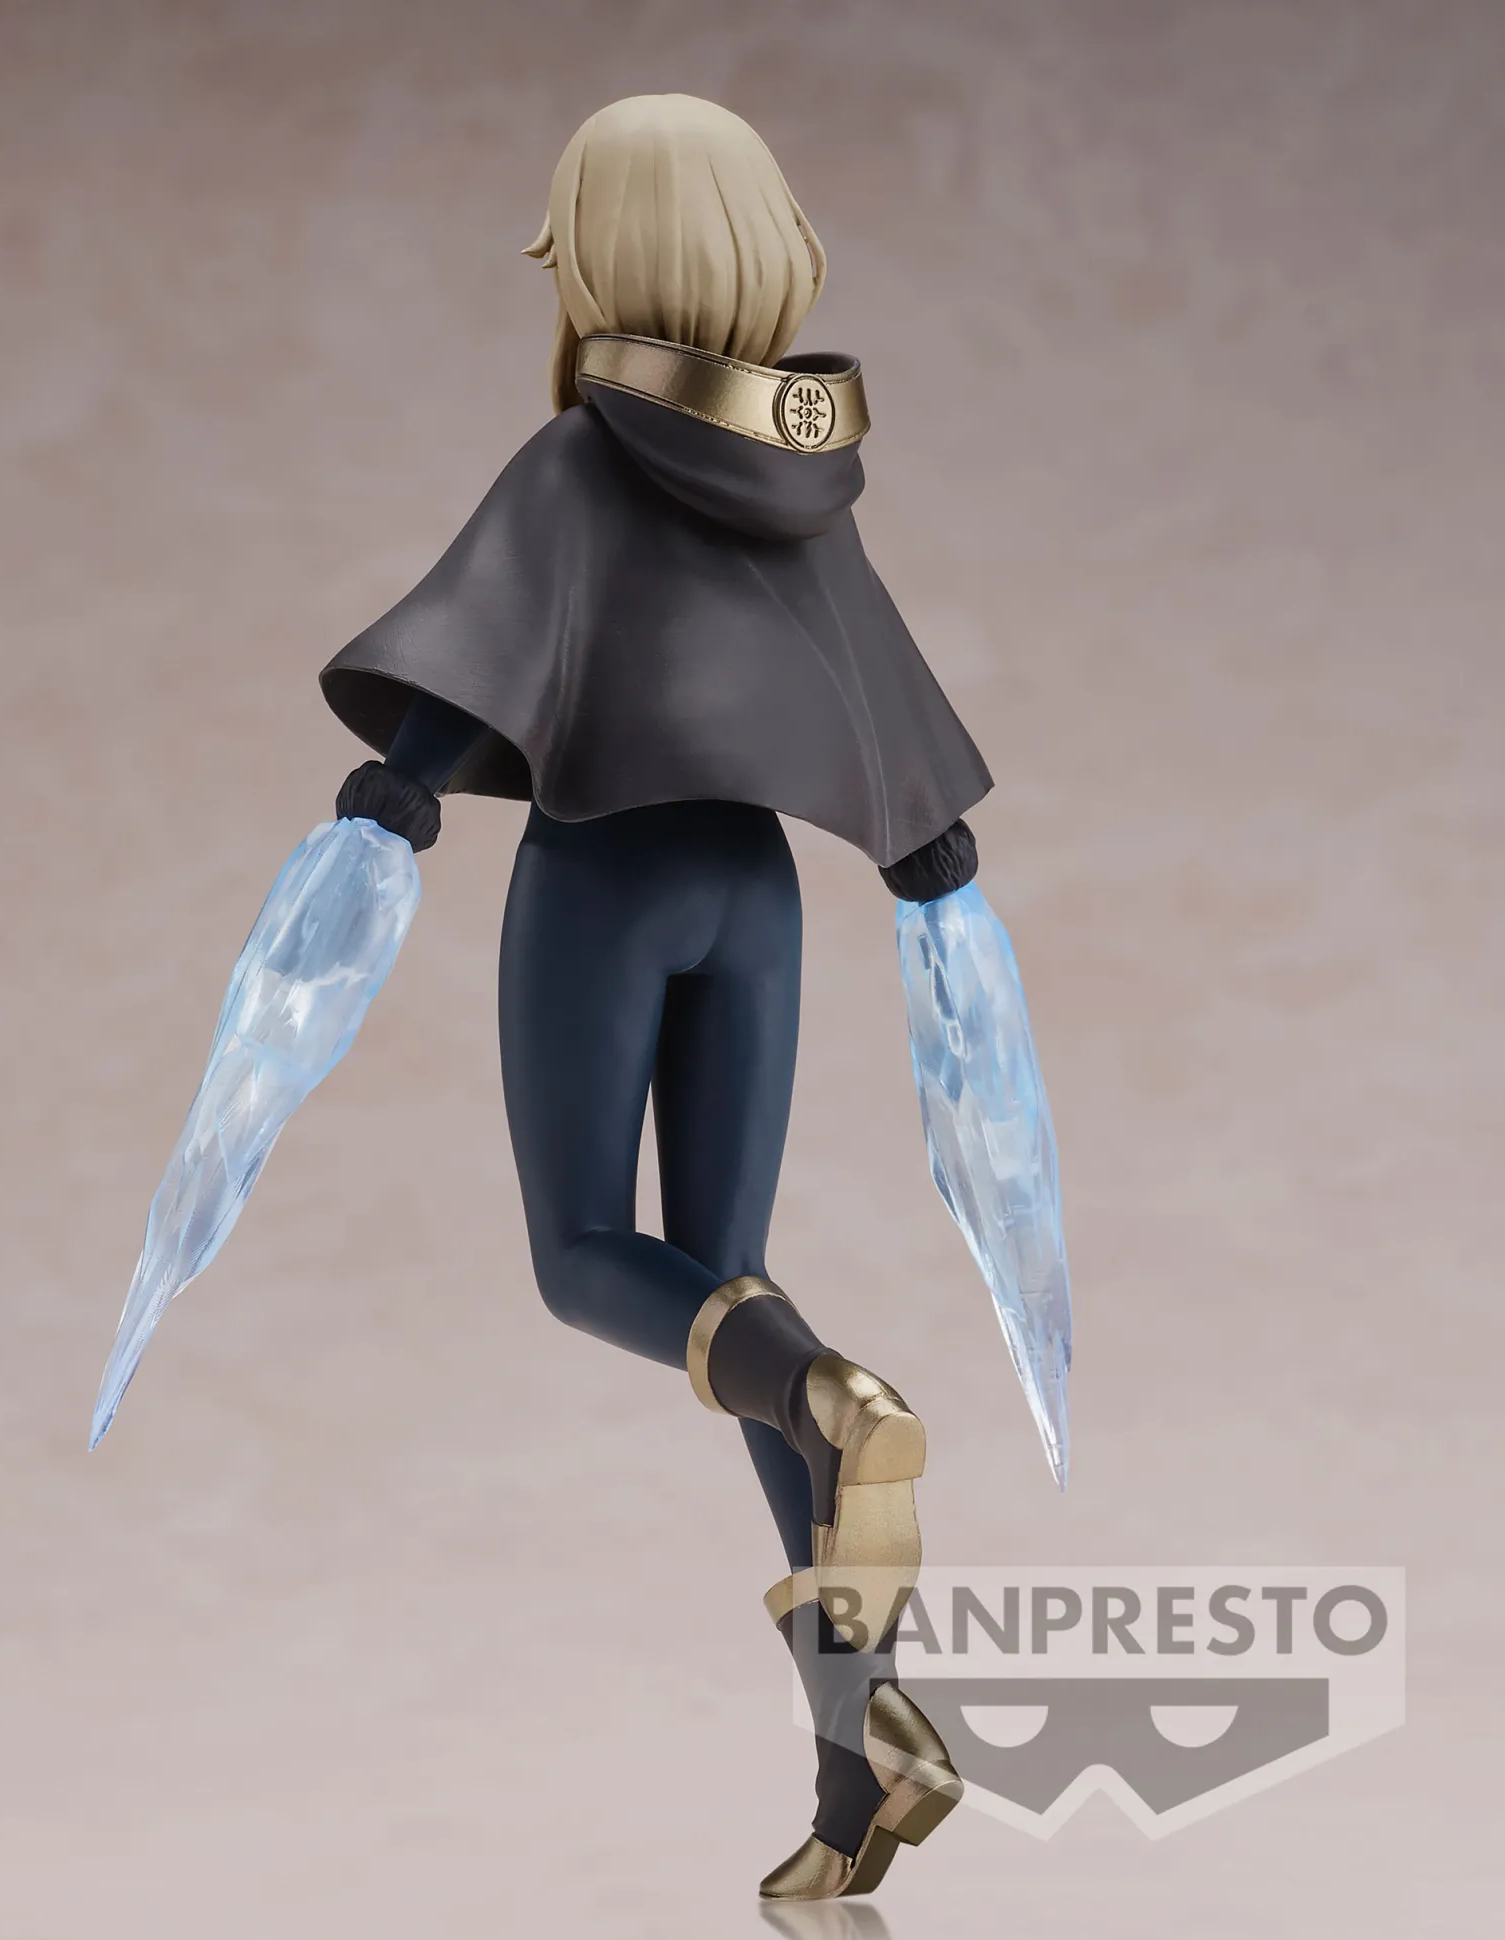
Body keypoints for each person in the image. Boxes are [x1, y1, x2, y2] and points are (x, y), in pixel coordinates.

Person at [321, 93, 991, 1901]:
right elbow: (875, 674)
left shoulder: (583, 460)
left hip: (607, 872)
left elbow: (485, 641)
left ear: (599, 251)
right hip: (756, 894)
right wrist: (926, 851)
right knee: (730, 1288)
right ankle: (861, 1749)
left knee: (585, 1260)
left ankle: (841, 1398)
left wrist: (400, 788)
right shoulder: (799, 475)